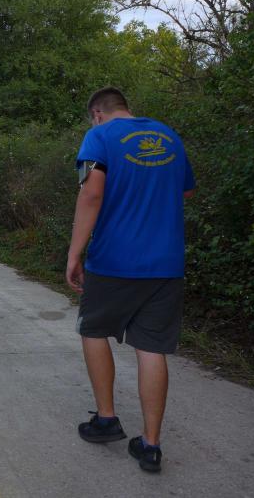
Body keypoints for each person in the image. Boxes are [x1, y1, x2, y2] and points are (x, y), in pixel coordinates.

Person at [66, 87, 195, 472]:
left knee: (93, 330)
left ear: (97, 114)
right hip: (166, 263)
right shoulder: (169, 137)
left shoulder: (99, 137)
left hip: (114, 261)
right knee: (152, 348)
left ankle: (106, 419)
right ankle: (150, 446)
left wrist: (74, 254)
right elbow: (185, 191)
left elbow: (91, 194)